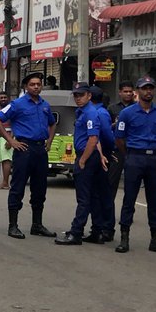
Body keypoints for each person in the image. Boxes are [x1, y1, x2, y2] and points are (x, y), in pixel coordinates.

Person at [113, 76, 156, 254]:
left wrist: (152, 150)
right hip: (134, 158)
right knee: (129, 199)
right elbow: (119, 139)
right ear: (137, 91)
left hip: (153, 159)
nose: (148, 92)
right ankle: (124, 238)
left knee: (154, 200)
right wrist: (130, 154)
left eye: (151, 88)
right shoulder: (127, 113)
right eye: (144, 88)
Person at [0, 71, 56, 238]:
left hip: (40, 150)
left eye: (38, 84)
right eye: (32, 84)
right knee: (18, 187)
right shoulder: (17, 104)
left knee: (40, 188)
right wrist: (11, 140)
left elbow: (52, 124)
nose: (36, 87)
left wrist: (49, 142)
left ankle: (37, 225)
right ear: (25, 87)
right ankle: (13, 225)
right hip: (24, 149)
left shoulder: (45, 104)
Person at [55, 84, 110, 245]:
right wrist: (99, 155)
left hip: (86, 156)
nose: (78, 98)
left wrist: (83, 160)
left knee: (84, 197)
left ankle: (76, 232)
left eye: (81, 95)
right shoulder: (82, 112)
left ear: (89, 96)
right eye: (76, 95)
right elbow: (95, 138)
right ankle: (97, 231)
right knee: (93, 195)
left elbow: (93, 139)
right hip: (91, 155)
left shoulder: (90, 113)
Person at [85, 85, 116, 243]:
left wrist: (108, 153)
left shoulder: (99, 113)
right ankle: (99, 227)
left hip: (101, 158)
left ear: (89, 97)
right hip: (96, 156)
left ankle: (106, 228)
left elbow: (106, 138)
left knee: (103, 194)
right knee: (95, 195)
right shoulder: (93, 112)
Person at [105, 81, 137, 203]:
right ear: (120, 92)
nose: (128, 94)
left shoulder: (138, 108)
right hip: (117, 149)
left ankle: (128, 213)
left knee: (131, 183)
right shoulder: (112, 108)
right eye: (125, 91)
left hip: (133, 149)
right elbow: (106, 127)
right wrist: (116, 124)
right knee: (112, 181)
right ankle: (108, 211)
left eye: (130, 91)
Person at [0, 92, 13, 188]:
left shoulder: (10, 110)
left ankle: (5, 183)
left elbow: (15, 125)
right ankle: (4, 181)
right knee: (2, 161)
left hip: (7, 137)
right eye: (1, 97)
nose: (3, 99)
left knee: (6, 160)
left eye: (5, 97)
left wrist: (10, 140)